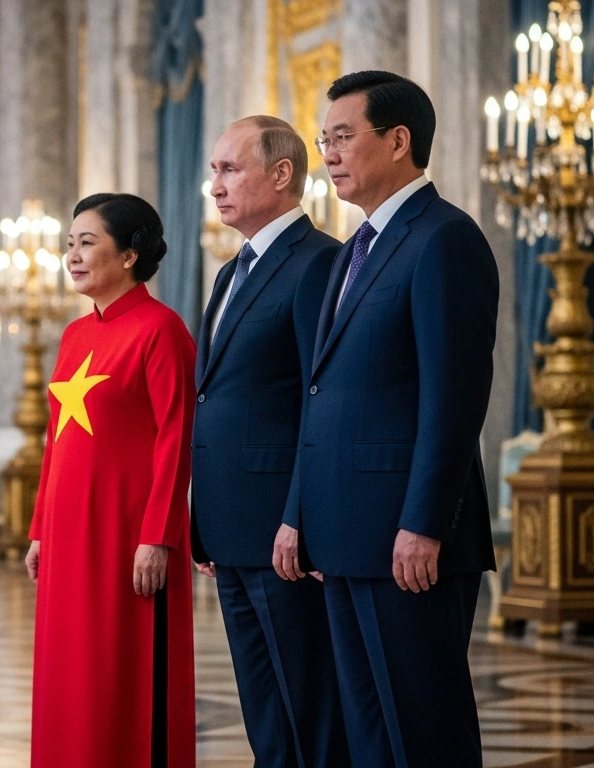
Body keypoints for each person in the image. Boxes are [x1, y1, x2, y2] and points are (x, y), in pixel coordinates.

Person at [273, 70, 498, 768]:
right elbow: (323, 398)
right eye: (324, 140)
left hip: (408, 538)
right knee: (367, 730)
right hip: (344, 534)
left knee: (422, 732)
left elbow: (454, 396)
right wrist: (304, 515)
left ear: (398, 141)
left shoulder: (444, 239)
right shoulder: (350, 256)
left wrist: (426, 522)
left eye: (343, 137)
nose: (329, 154)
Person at [191, 116, 348, 768]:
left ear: (281, 174)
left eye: (229, 170)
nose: (216, 186)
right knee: (264, 712)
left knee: (309, 709)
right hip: (230, 530)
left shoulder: (319, 263)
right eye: (213, 173)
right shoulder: (231, 274)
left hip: (284, 534)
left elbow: (324, 403)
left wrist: (300, 517)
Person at [25, 193, 196, 768]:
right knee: (67, 671)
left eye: (87, 242)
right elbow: (57, 444)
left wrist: (158, 537)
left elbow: (177, 442)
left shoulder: (161, 330)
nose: (72, 255)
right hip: (69, 539)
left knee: (119, 672)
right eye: (69, 244)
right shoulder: (75, 336)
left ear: (129, 255)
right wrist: (39, 528)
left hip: (127, 541)